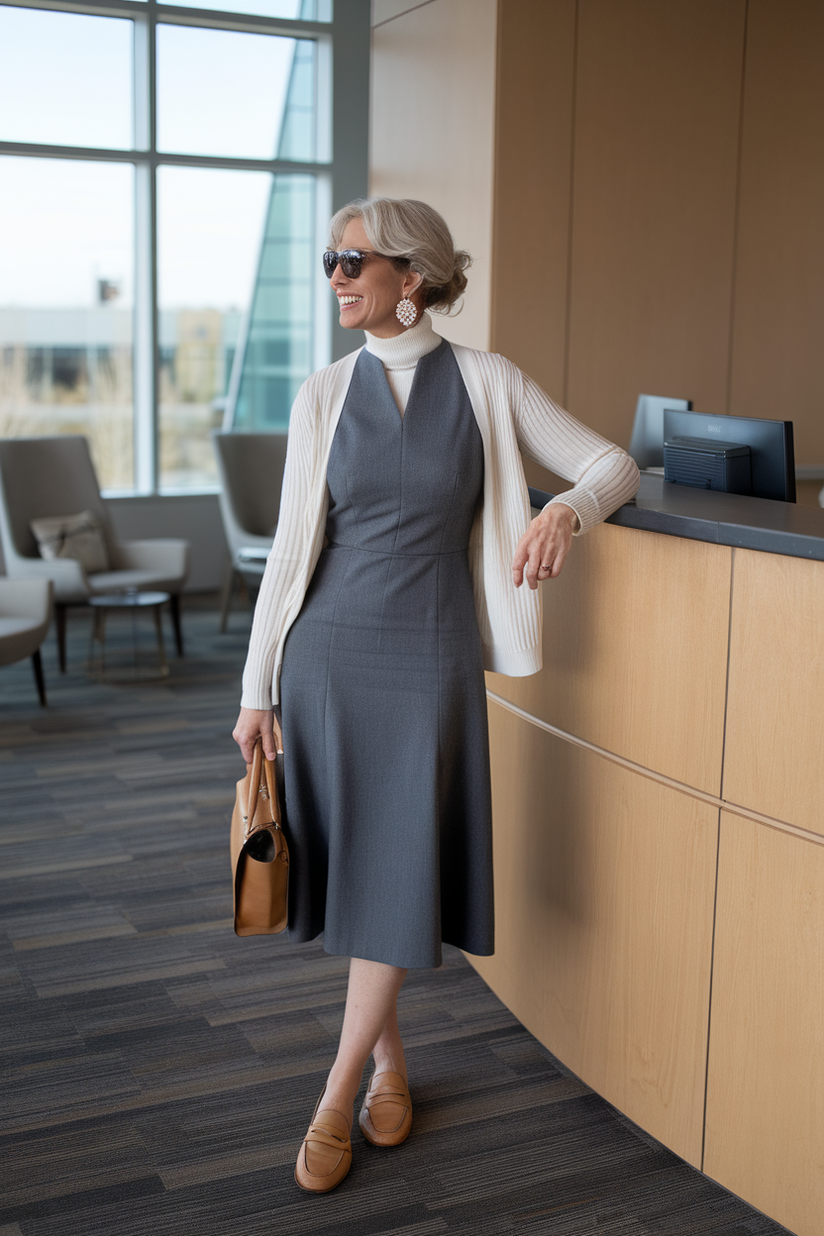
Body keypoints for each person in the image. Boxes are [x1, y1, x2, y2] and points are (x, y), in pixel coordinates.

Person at [232, 197, 640, 1193]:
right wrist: (256, 689)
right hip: (326, 652)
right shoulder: (323, 394)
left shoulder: (487, 381)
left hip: (431, 657)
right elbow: (291, 553)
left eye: (350, 260)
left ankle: (333, 1097)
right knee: (367, 867)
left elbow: (612, 463)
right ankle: (385, 1063)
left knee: (398, 862)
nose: (334, 276)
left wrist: (567, 518)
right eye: (329, 261)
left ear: (409, 276)